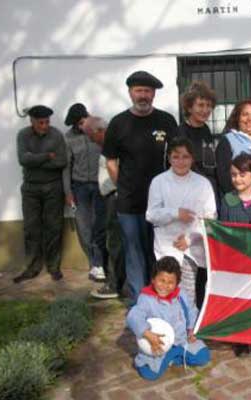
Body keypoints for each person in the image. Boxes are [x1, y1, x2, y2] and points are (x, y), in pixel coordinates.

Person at [102, 70, 178, 302]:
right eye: (139, 91)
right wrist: (122, 186)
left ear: (154, 94)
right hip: (129, 202)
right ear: (130, 93)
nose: (143, 95)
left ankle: (161, 295)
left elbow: (176, 157)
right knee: (133, 252)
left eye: (147, 91)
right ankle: (139, 299)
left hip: (160, 202)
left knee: (156, 251)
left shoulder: (166, 121)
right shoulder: (118, 123)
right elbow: (111, 161)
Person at [146, 137, 217, 308]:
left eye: (185, 157)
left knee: (188, 295)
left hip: (191, 248)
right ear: (169, 158)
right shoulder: (159, 182)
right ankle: (168, 328)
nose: (181, 161)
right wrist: (175, 213)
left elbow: (210, 218)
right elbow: (151, 214)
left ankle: (188, 329)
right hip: (167, 246)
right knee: (166, 292)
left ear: (192, 158)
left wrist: (190, 239)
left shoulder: (202, 184)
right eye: (176, 156)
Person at [126, 256, 210, 381]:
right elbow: (133, 315)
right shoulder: (146, 299)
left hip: (181, 340)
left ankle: (173, 357)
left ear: (177, 284)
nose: (165, 286)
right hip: (159, 344)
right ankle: (166, 357)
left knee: (203, 357)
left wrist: (191, 329)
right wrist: (147, 334)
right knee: (150, 374)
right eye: (162, 280)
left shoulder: (181, 295)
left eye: (170, 282)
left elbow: (191, 310)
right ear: (153, 279)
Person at [218, 153, 251, 358]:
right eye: (234, 175)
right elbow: (222, 229)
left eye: (242, 175)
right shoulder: (227, 200)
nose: (237, 179)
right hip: (237, 260)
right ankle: (240, 337)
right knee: (239, 299)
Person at [14, 105, 67, 283]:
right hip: (30, 188)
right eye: (41, 122)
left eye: (47, 122)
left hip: (53, 187)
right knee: (31, 228)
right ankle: (32, 267)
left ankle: (53, 267)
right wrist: (47, 156)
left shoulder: (57, 135)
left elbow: (61, 161)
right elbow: (23, 159)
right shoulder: (23, 135)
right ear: (32, 122)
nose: (45, 126)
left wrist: (35, 159)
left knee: (53, 227)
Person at [62, 103, 107, 282]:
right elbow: (66, 167)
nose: (81, 126)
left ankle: (101, 263)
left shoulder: (100, 129)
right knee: (84, 227)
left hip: (100, 185)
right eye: (78, 124)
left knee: (100, 225)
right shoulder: (69, 138)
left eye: (83, 121)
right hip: (80, 187)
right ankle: (94, 263)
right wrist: (67, 192)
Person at [83, 117, 125, 299]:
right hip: (110, 197)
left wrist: (120, 192)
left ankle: (115, 285)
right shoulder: (110, 144)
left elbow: (123, 171)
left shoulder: (117, 143)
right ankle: (117, 282)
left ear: (100, 131)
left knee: (115, 243)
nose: (91, 141)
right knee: (113, 241)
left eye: (92, 137)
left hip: (117, 197)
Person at [177, 81, 217, 189]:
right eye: (200, 105)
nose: (205, 110)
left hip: (209, 187)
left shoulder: (205, 130)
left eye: (209, 105)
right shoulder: (181, 132)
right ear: (189, 108)